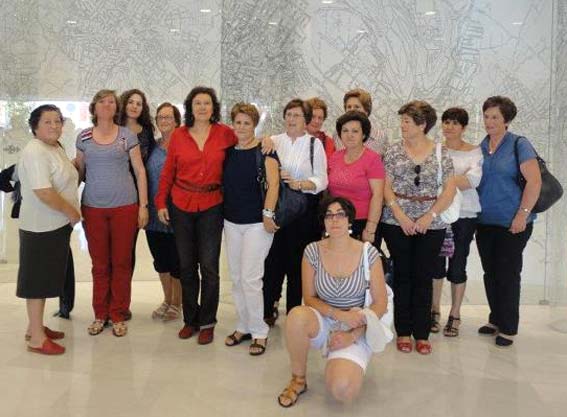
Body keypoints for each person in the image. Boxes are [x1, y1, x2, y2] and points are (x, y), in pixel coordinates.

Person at [277, 197, 388, 407]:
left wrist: (352, 334)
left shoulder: (368, 253)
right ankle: (298, 379)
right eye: (329, 215)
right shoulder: (312, 251)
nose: (334, 220)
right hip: (326, 318)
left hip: (358, 324)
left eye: (340, 214)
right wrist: (338, 315)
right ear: (324, 221)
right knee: (296, 316)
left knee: (342, 390)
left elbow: (380, 304)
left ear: (350, 220)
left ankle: (340, 360)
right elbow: (309, 297)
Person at [156, 86, 237, 345]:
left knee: (210, 267)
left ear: (214, 108)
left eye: (207, 103)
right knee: (187, 265)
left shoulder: (225, 134)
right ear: (190, 108)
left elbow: (246, 145)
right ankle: (190, 319)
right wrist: (161, 203)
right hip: (181, 204)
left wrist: (267, 142)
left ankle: (208, 321)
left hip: (213, 205)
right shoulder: (179, 135)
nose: (202, 107)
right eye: (198, 103)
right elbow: (168, 172)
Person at [380, 100, 456, 355]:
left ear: (422, 125)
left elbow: (449, 190)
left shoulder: (440, 152)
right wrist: (400, 214)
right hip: (395, 221)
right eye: (401, 120)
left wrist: (429, 215)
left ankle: (421, 333)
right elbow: (385, 186)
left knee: (423, 276)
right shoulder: (392, 151)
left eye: (407, 121)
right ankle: (403, 331)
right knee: (402, 275)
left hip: (431, 224)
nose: (402, 125)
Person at [75, 89, 149, 337]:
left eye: (111, 102)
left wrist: (143, 206)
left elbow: (139, 171)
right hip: (93, 209)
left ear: (116, 108)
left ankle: (117, 313)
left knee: (121, 262)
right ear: (94, 107)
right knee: (100, 264)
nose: (107, 105)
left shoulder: (127, 135)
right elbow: (79, 173)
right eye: (102, 102)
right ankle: (99, 314)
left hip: (125, 208)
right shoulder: (83, 137)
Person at [476, 96, 541, 347]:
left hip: (513, 223)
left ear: (507, 120)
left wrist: (522, 215)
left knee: (507, 274)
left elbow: (534, 182)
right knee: (490, 273)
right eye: (486, 116)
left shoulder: (519, 145)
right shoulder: (481, 146)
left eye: (495, 117)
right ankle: (495, 318)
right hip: (485, 222)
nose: (489, 121)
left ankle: (509, 327)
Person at [16, 104, 80, 355]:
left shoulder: (54, 147)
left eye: (58, 121)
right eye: (47, 122)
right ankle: (36, 340)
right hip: (41, 227)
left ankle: (35, 327)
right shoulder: (35, 151)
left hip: (55, 226)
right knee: (37, 282)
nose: (54, 126)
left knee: (43, 279)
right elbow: (43, 191)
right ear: (35, 126)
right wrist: (71, 211)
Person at [262, 98, 328, 326]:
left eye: (297, 115)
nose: (291, 119)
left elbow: (322, 180)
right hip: (277, 209)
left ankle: (294, 313)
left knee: (298, 265)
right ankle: (268, 308)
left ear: (306, 120)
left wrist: (299, 183)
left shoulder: (314, 144)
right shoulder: (273, 141)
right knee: (272, 262)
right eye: (289, 114)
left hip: (303, 213)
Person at [223, 103, 279, 355]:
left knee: (250, 278)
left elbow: (274, 184)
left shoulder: (265, 149)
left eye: (247, 123)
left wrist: (268, 214)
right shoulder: (228, 151)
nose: (242, 127)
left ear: (254, 125)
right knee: (236, 278)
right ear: (232, 124)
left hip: (258, 224)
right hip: (231, 222)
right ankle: (243, 325)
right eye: (238, 122)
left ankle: (259, 331)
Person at [430, 108, 483, 337]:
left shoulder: (475, 152)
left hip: (465, 214)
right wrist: (453, 181)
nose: (449, 127)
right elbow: (430, 178)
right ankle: (434, 311)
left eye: (455, 123)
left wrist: (447, 181)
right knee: (435, 264)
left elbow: (472, 180)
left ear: (463, 127)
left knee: (458, 264)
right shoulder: (434, 149)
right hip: (439, 213)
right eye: (446, 122)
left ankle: (455, 313)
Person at [145, 103, 182, 321]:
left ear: (177, 120)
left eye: (169, 117)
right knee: (161, 260)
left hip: (177, 214)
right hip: (153, 214)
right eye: (160, 117)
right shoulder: (153, 146)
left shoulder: (185, 144)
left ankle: (177, 303)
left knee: (177, 261)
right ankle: (167, 299)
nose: (164, 121)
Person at [328, 111, 384, 245]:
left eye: (355, 131)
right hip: (337, 221)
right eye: (345, 131)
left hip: (363, 223)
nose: (349, 135)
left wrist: (370, 229)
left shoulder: (373, 159)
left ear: (363, 134)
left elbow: (378, 195)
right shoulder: (334, 157)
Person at [333, 88, 388, 155]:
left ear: (367, 111)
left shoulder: (380, 136)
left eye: (357, 107)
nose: (352, 110)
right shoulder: (337, 134)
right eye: (349, 107)